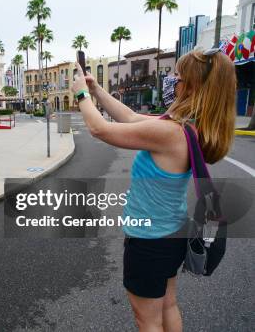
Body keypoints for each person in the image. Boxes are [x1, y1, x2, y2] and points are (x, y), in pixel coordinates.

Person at [71, 49, 235, 331]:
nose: (172, 80)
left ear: (190, 87)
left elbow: (99, 129)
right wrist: (96, 90)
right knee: (168, 305)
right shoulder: (186, 128)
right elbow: (131, 117)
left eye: (177, 76)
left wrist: (80, 94)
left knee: (146, 320)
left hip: (149, 241)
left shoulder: (170, 132)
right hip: (172, 235)